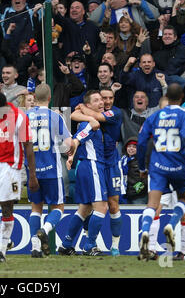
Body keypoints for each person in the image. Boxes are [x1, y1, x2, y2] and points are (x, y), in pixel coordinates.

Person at [137, 83, 185, 261]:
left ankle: (151, 240)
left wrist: (142, 167)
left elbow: (140, 142)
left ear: (167, 98)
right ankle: (170, 245)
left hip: (158, 168)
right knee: (181, 204)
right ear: (182, 97)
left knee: (153, 205)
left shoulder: (154, 117)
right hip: (179, 168)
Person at [0, 91, 39, 263]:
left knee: (6, 208)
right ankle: (4, 239)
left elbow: (28, 147)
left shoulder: (19, 117)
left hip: (11, 168)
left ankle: (1, 252)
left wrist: (32, 175)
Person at [71, 87, 123, 256]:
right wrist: (87, 113)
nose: (106, 101)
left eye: (109, 98)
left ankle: (115, 246)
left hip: (111, 165)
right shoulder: (92, 114)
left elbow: (97, 118)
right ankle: (89, 243)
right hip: (96, 163)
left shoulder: (115, 113)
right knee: (89, 206)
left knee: (113, 205)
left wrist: (84, 109)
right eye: (102, 98)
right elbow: (73, 115)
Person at [58, 90, 107, 256]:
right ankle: (90, 245)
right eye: (96, 100)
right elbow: (77, 140)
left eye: (101, 99)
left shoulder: (90, 120)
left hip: (86, 166)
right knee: (101, 207)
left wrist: (71, 157)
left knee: (84, 209)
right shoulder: (89, 124)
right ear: (88, 105)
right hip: (92, 166)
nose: (100, 102)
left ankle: (66, 244)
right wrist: (71, 155)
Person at [26, 84, 73, 258]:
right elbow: (68, 142)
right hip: (52, 170)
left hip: (32, 171)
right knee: (58, 208)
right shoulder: (55, 116)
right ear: (50, 97)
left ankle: (35, 247)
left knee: (36, 208)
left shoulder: (25, 116)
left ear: (34, 97)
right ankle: (44, 230)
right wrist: (69, 152)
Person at [120, 137, 148, 204]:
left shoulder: (142, 161)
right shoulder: (122, 161)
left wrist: (136, 190)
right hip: (125, 196)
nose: (131, 148)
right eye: (129, 146)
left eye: (134, 147)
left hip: (139, 197)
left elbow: (146, 179)